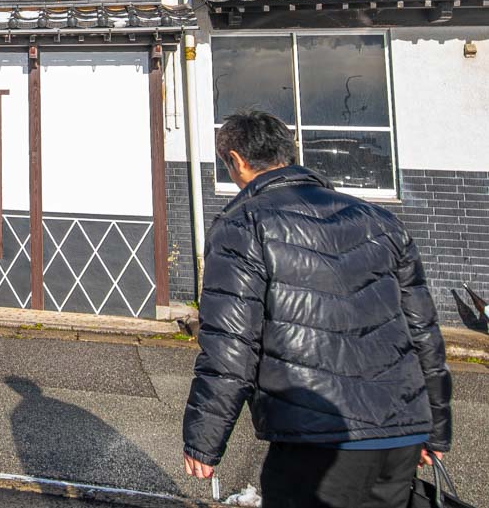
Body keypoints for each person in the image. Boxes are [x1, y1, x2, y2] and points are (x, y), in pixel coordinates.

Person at [181, 110, 452, 508]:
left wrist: (204, 440)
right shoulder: (381, 221)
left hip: (314, 440)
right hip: (400, 435)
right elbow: (424, 334)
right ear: (288, 153)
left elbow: (231, 346)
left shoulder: (244, 225)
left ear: (236, 160)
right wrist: (435, 429)